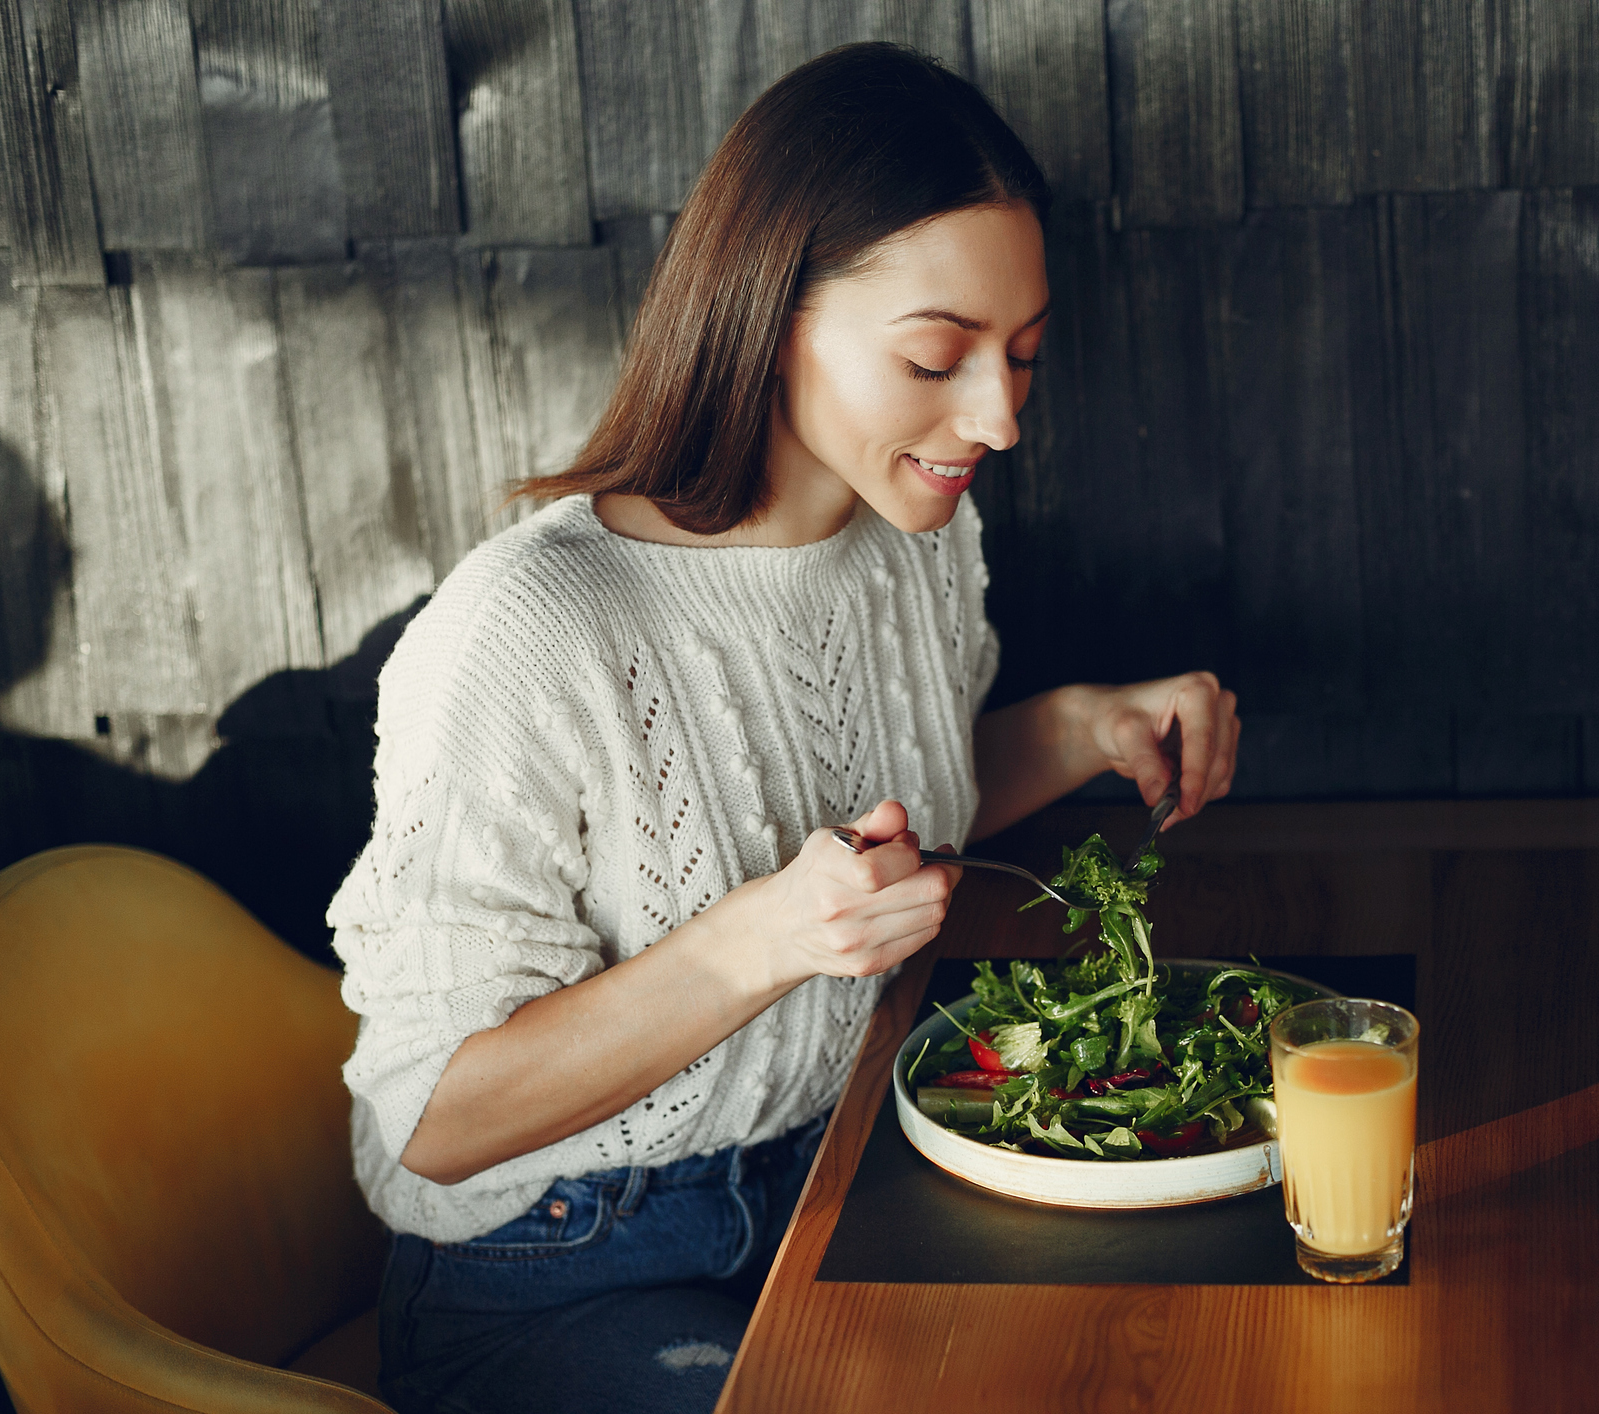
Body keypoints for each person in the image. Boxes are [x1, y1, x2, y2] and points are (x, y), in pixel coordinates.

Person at [329, 43, 1240, 1414]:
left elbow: (868, 839)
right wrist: (758, 941)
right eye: (937, 354)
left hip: (835, 1169)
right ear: (770, 313)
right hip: (564, 1262)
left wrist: (1079, 725)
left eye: (1024, 355)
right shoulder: (526, 629)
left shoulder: (912, 542)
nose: (996, 415)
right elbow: (433, 1117)